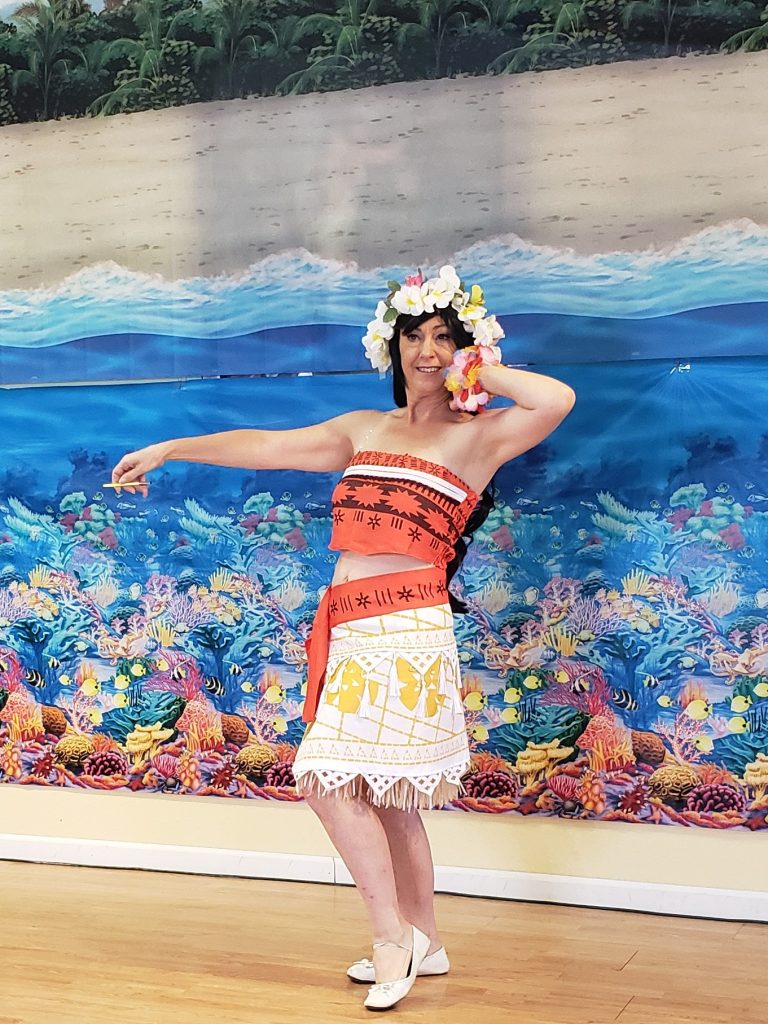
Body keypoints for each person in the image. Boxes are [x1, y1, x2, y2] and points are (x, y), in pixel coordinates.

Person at [111, 265, 575, 1011]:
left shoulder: (479, 437)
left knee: (326, 780)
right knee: (387, 797)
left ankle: (392, 938)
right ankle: (427, 939)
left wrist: (477, 369)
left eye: (444, 338)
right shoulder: (366, 428)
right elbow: (266, 445)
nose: (427, 351)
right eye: (415, 337)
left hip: (409, 626)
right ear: (392, 347)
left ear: (465, 348)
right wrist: (172, 447)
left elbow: (556, 399)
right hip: (351, 626)